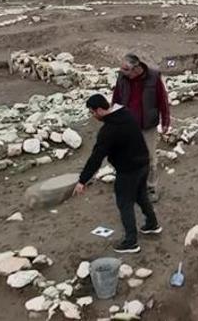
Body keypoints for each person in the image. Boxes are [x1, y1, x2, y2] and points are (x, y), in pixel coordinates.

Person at [73, 94, 162, 254]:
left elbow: (96, 157)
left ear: (100, 110)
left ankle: (131, 241)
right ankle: (152, 224)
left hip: (128, 170)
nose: (93, 116)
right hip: (143, 163)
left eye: (93, 112)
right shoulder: (126, 114)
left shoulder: (108, 130)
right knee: (141, 196)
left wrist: (82, 180)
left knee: (124, 203)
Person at [112, 53, 171, 203]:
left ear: (136, 68)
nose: (122, 72)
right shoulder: (122, 77)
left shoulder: (153, 77)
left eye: (126, 69)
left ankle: (151, 188)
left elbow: (162, 99)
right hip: (128, 125)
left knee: (150, 158)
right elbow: (117, 98)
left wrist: (165, 120)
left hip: (147, 125)